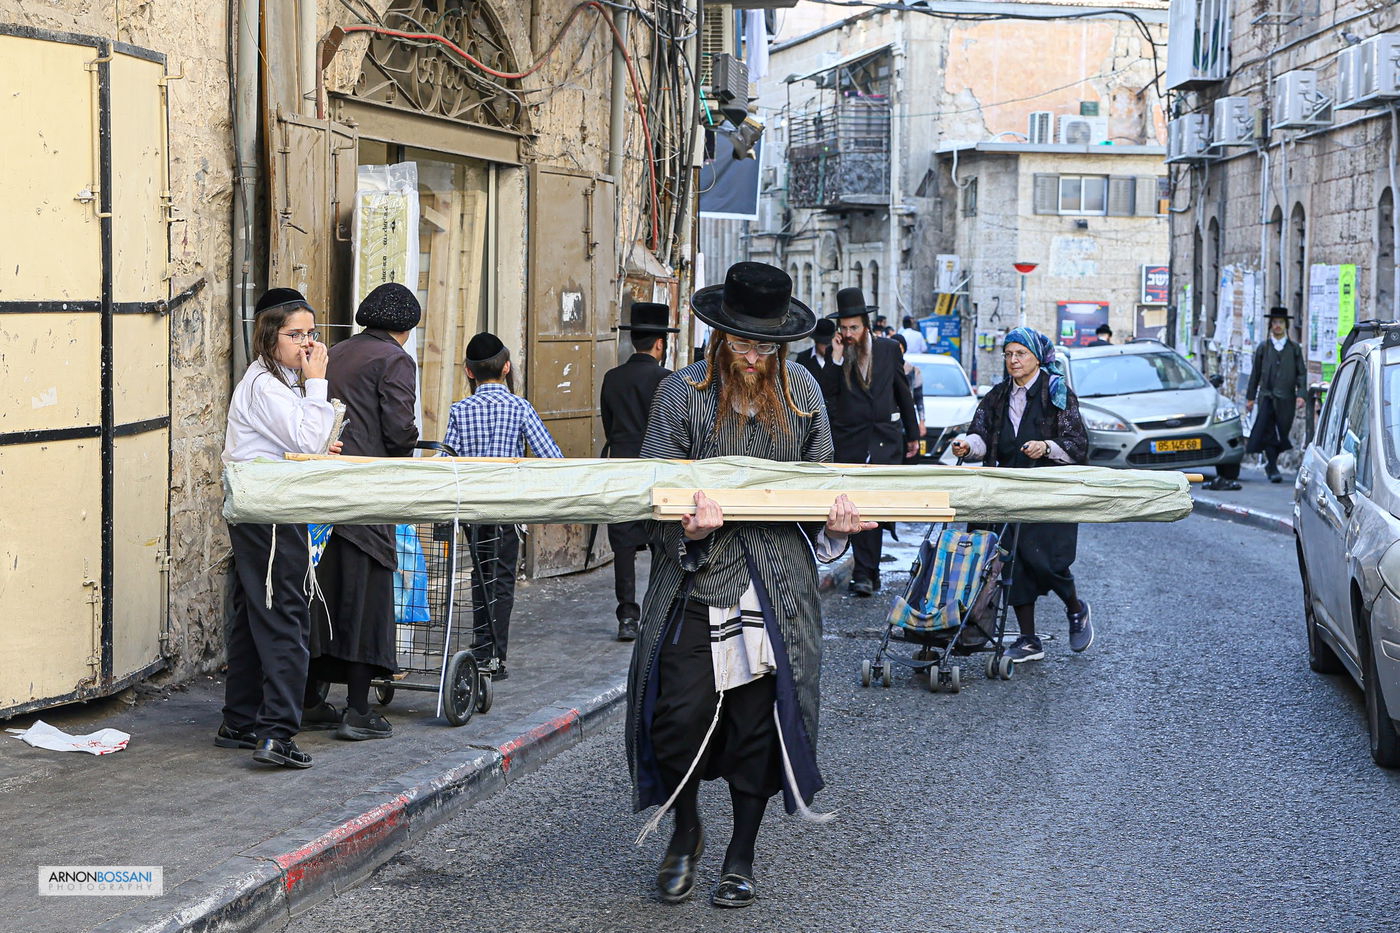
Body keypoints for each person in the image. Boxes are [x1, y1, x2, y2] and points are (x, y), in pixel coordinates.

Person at [626, 261, 871, 910]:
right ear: (719, 334)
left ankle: (741, 854)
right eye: (742, 342)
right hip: (696, 579)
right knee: (673, 717)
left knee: (756, 727)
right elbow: (651, 492)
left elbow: (823, 492)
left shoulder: (803, 395)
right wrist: (693, 528)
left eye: (766, 344)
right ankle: (685, 831)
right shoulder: (681, 394)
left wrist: (839, 530)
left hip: (774, 586)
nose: (754, 356)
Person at [219, 287, 339, 769]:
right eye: (296, 335)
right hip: (269, 512)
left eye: (312, 334)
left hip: (263, 507)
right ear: (270, 337)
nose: (307, 345)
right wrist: (317, 383)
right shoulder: (267, 385)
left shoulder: (276, 382)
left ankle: (240, 719)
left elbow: (303, 442)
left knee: (255, 615)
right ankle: (277, 733)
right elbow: (307, 435)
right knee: (285, 616)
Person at [303, 283, 421, 741]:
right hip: (366, 492)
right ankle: (357, 708)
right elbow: (397, 429)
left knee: (324, 595)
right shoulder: (395, 360)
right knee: (366, 598)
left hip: (323, 487)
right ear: (406, 328)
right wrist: (408, 445)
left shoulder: (339, 352)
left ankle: (311, 699)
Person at [951, 326, 1093, 663]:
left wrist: (1046, 446)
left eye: (1020, 354)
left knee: (1045, 559)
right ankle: (1029, 639)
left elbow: (1078, 443)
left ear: (1036, 357)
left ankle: (1076, 608)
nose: (1013, 361)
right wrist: (967, 445)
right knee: (1009, 557)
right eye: (1008, 354)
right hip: (1007, 489)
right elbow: (982, 434)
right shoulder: (998, 395)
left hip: (1048, 491)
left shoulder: (1056, 393)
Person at [443, 333, 563, 681]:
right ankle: (494, 656)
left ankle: (481, 648)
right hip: (508, 512)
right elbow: (551, 457)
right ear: (506, 367)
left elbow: (447, 459)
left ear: (469, 372)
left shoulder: (460, 410)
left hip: (474, 511)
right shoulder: (520, 407)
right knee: (502, 581)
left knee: (479, 578)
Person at [815, 287, 920, 597]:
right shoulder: (838, 354)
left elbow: (903, 392)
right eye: (844, 328)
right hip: (850, 442)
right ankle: (865, 572)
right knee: (857, 506)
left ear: (866, 326)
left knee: (876, 507)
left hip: (885, 441)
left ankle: (868, 571)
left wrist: (913, 435)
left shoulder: (888, 350)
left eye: (854, 328)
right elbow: (823, 396)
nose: (849, 334)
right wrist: (834, 358)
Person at [601, 301, 677, 641]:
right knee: (662, 541)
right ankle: (660, 609)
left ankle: (627, 616)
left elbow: (609, 425)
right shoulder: (669, 381)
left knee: (624, 548)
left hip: (620, 465)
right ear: (660, 344)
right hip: (656, 469)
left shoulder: (612, 378)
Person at [1246, 307, 1307, 483]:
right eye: (1274, 323)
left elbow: (1301, 373)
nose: (1277, 326)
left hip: (1286, 398)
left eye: (1280, 323)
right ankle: (1272, 466)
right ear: (1271, 325)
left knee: (1283, 431)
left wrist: (1301, 394)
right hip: (1266, 397)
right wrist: (1250, 398)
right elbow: (1255, 374)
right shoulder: (1263, 348)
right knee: (1268, 432)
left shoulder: (1293, 349)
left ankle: (1272, 461)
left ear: (1285, 325)